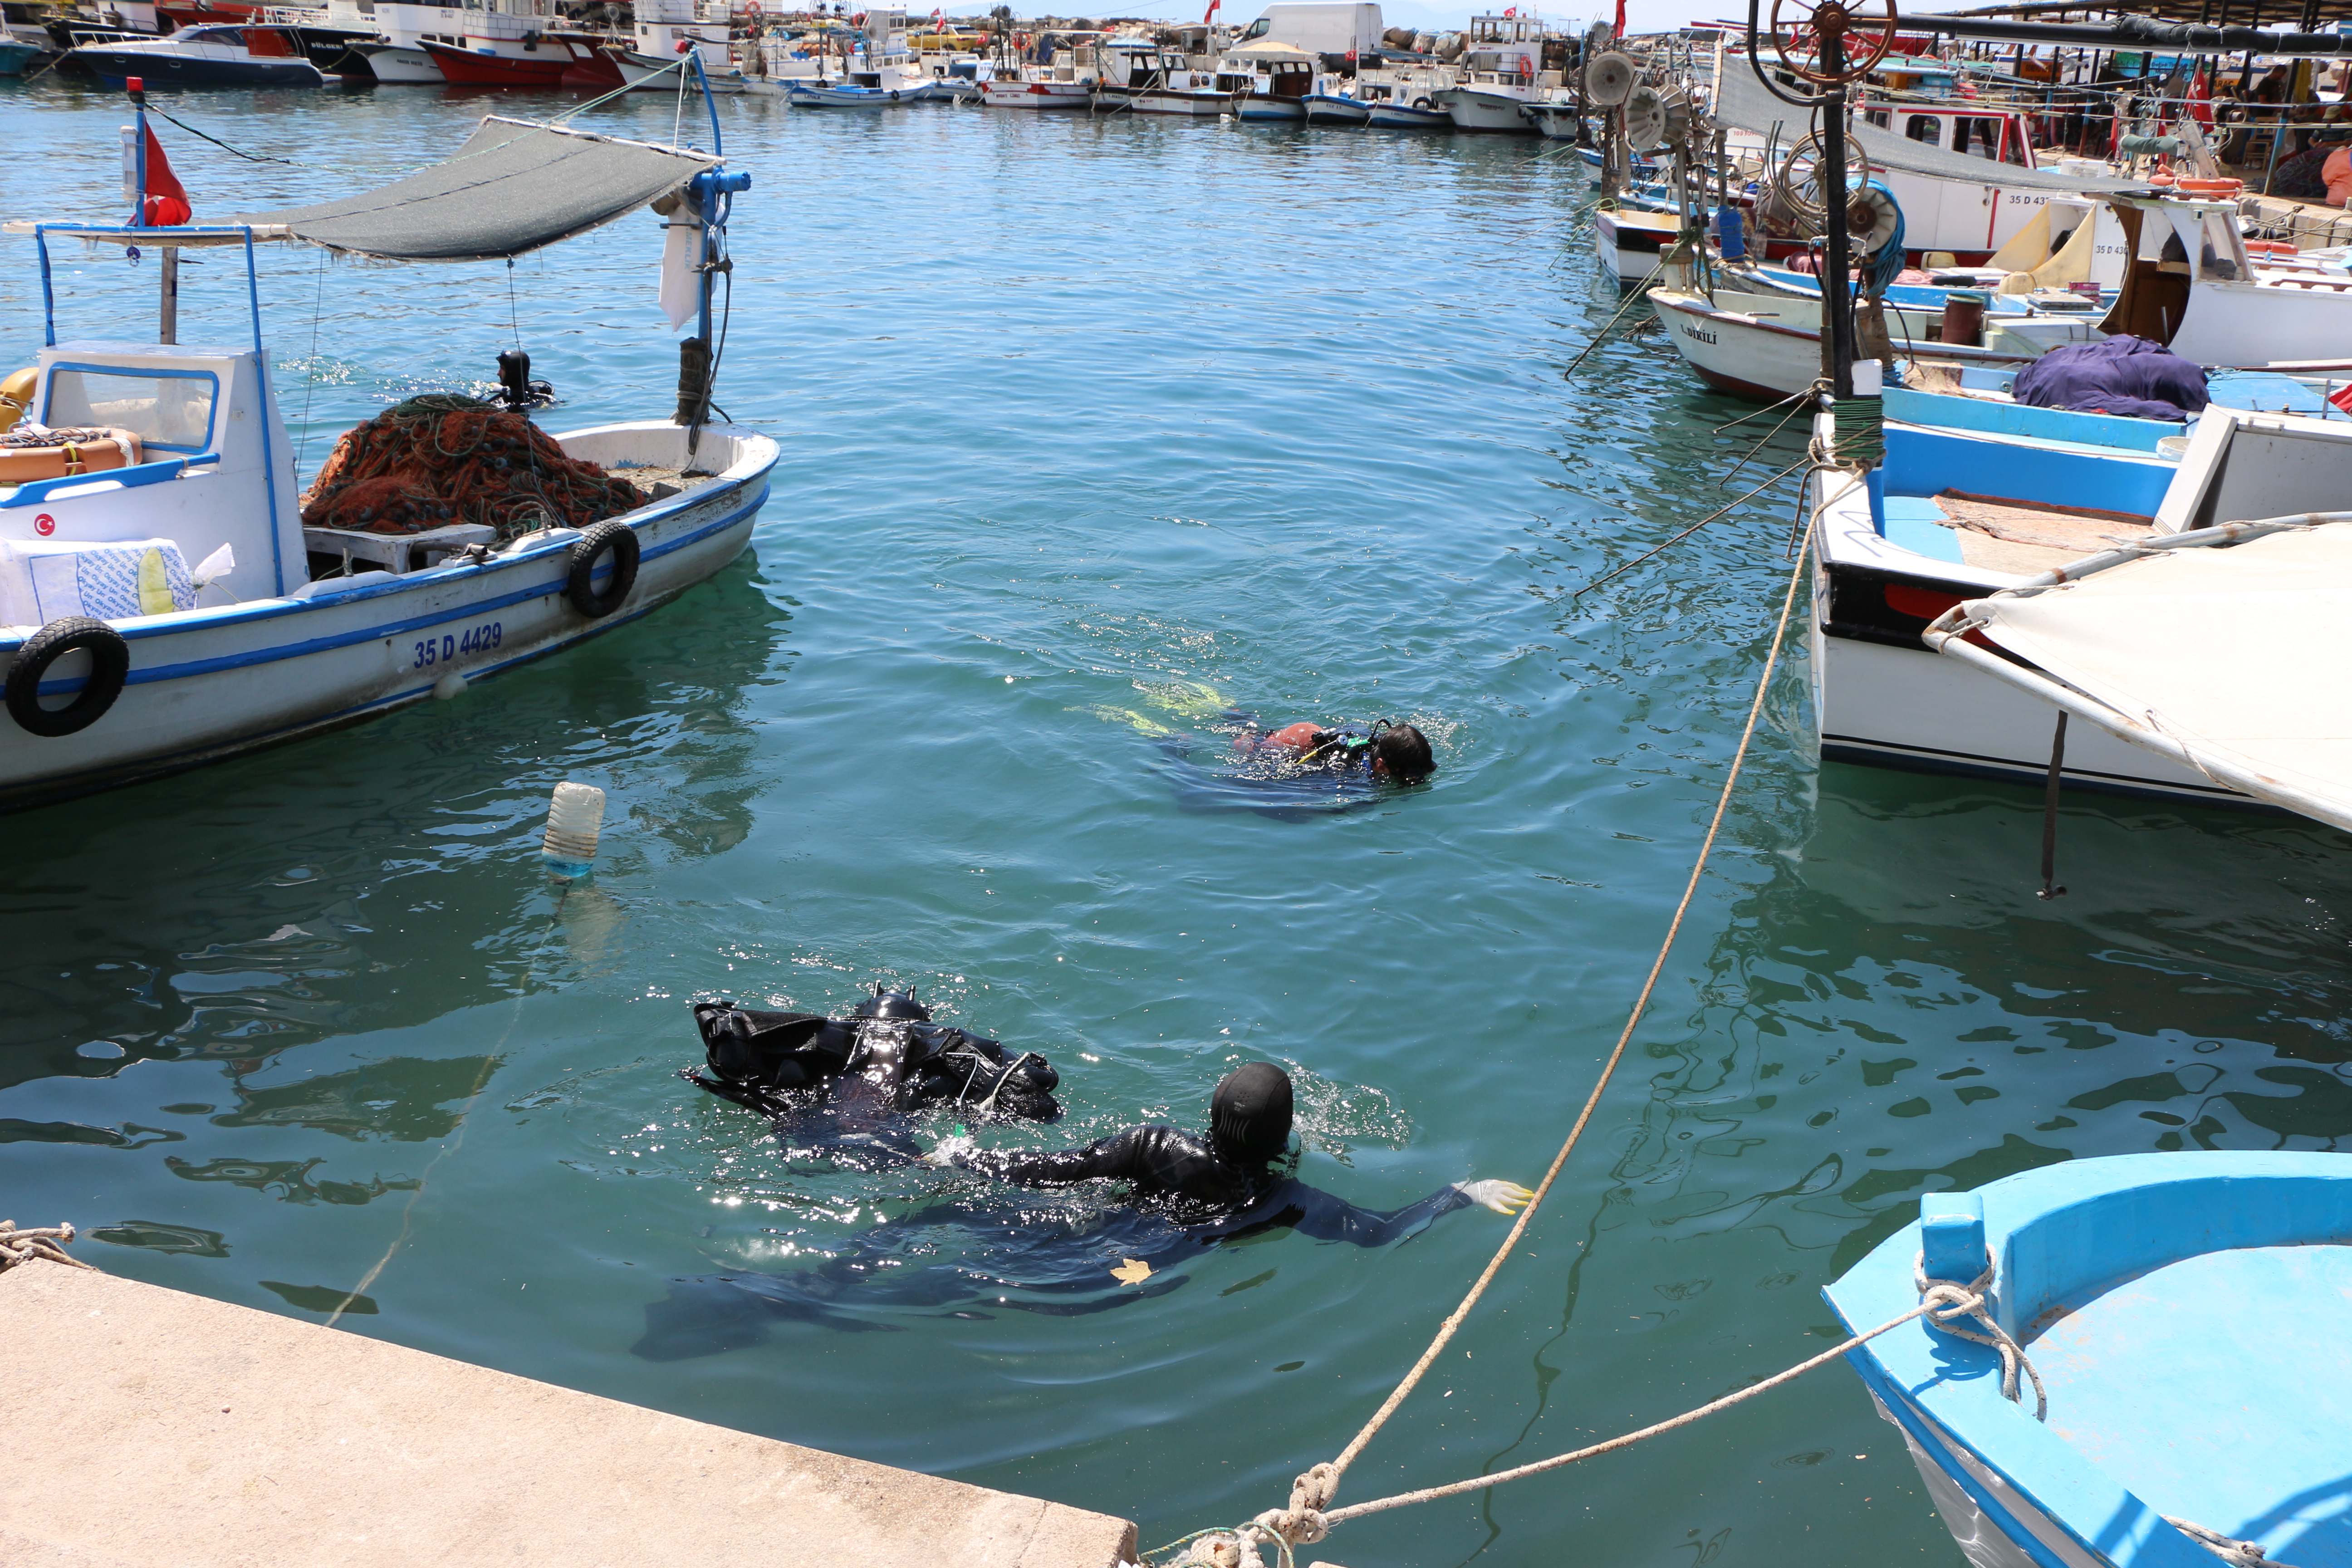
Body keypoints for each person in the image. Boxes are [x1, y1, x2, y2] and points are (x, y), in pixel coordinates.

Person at [631, 1064, 1531, 1357]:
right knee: (960, 1287)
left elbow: (1041, 1171)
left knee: (938, 1229)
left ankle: (774, 1293)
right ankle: (782, 1313)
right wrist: (1459, 1192)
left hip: (1080, 1234)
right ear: (1283, 1135)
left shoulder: (1150, 1147)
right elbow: (1379, 1233)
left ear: (1210, 1116)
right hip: (1121, 1282)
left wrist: (957, 1155)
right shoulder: (1286, 1200)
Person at [684, 985, 1062, 1145]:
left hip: (814, 1127)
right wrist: (962, 1135)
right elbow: (1039, 1097)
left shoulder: (829, 1036)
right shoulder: (951, 1046)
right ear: (923, 1019)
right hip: (903, 1136)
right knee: (965, 1113)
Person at [1232, 718, 1436, 784]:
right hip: (1284, 745)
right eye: (1412, 776)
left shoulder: (1379, 744)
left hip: (1315, 736)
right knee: (1247, 746)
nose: (1417, 781)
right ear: (1381, 765)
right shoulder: (1341, 771)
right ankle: (1246, 733)